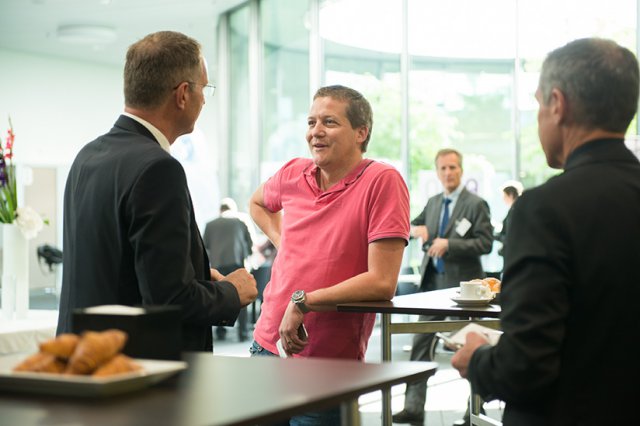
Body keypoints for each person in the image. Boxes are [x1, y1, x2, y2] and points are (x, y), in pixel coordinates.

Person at [451, 38, 640, 425]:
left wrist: (478, 359)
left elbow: (525, 367)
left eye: (538, 104)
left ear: (557, 104)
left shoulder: (544, 209)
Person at [57, 31, 258, 352]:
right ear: (183, 94)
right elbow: (169, 300)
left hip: (88, 355)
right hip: (137, 364)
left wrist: (189, 271)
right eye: (204, 88)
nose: (205, 99)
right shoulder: (158, 168)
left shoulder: (88, 155)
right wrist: (232, 292)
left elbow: (110, 265)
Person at [249, 85, 410, 425]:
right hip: (266, 348)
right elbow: (258, 203)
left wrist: (303, 302)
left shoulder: (382, 181)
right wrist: (282, 240)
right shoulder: (293, 172)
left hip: (327, 366)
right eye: (311, 122)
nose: (316, 131)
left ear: (361, 132)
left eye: (329, 122)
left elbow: (382, 282)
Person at [393, 148, 493, 426]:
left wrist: (450, 244)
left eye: (453, 167)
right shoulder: (434, 202)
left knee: (473, 347)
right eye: (443, 168)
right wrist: (417, 230)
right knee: (420, 343)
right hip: (433, 287)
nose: (448, 173)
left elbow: (485, 243)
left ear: (461, 170)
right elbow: (408, 226)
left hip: (466, 291)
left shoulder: (476, 204)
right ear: (437, 172)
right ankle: (413, 407)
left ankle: (475, 410)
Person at [202, 198, 253, 341]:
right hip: (236, 263)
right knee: (241, 295)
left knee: (219, 295)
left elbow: (204, 247)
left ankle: (220, 330)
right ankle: (243, 332)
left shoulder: (210, 224)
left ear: (220, 210)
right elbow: (250, 245)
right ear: (233, 209)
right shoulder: (240, 221)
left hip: (217, 265)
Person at [494, 180, 522, 258]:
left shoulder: (515, 211)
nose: (503, 199)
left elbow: (511, 235)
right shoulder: (514, 209)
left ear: (511, 195)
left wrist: (497, 236)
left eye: (505, 196)